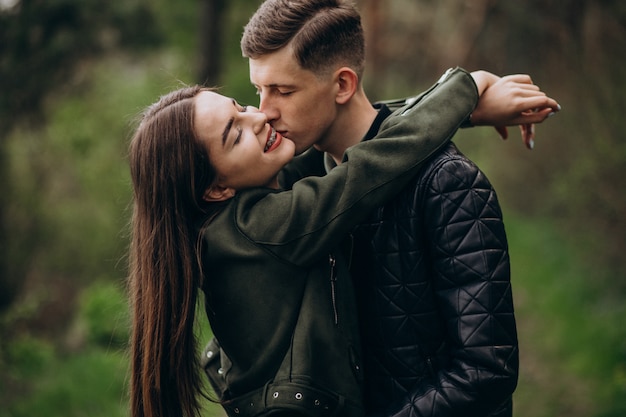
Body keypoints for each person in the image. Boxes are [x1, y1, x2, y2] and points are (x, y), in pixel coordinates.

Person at [237, 1, 561, 417]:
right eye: (258, 90)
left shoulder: (448, 183)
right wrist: (466, 99)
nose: (265, 112)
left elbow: (486, 371)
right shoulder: (292, 188)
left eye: (283, 91)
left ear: (342, 85)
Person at [128, 68, 503, 417]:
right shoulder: (264, 225)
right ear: (215, 188)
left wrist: (462, 108)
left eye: (240, 106)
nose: (260, 118)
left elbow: (350, 127)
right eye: (236, 133)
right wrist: (467, 85)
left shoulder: (218, 225)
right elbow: (375, 163)